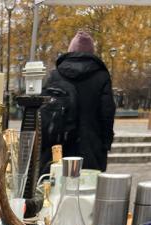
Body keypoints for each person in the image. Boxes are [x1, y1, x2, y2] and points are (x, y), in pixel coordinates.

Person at [41, 31, 116, 172]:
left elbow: (44, 110)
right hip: (91, 146)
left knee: (56, 188)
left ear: (70, 50)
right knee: (89, 188)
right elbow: (107, 112)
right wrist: (106, 143)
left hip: (58, 146)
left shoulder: (55, 75)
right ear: (91, 53)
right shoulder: (101, 76)